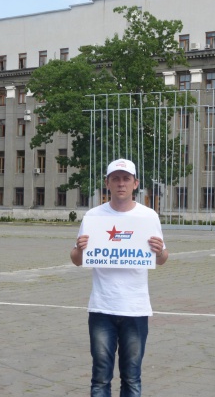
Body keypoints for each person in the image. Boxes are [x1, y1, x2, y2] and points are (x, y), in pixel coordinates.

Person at [70, 158, 169, 397]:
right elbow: (76, 259)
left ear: (135, 183)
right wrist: (80, 249)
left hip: (135, 308)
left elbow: (162, 258)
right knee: (100, 378)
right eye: (115, 179)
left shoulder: (148, 216)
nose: (121, 183)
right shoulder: (93, 217)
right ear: (107, 183)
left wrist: (159, 251)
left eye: (126, 179)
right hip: (102, 307)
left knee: (132, 378)